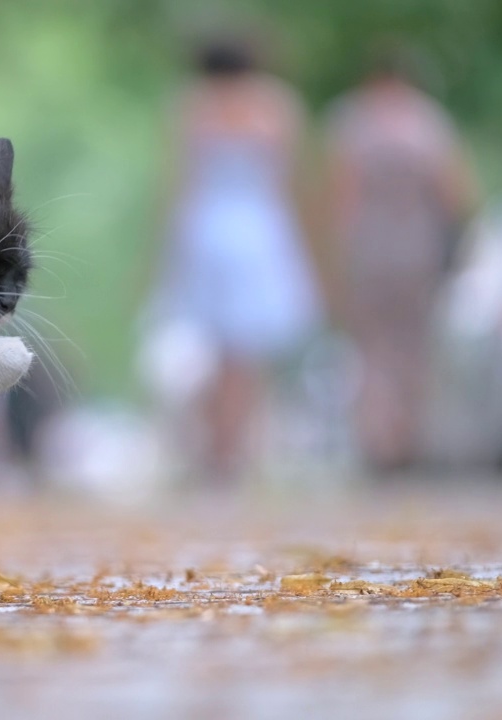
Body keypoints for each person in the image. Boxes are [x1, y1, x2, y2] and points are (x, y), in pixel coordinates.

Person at [151, 35, 321, 481]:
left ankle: (220, 446)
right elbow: (288, 176)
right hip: (259, 227)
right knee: (245, 350)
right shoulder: (277, 105)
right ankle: (232, 447)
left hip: (206, 226)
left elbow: (180, 181)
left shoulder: (193, 105)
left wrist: (166, 247)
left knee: (217, 347)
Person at [326, 44, 478, 473]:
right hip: (419, 247)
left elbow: (343, 197)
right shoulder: (428, 122)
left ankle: (379, 440)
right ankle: (410, 437)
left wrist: (336, 258)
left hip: (369, 250)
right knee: (415, 346)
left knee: (372, 348)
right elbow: (455, 192)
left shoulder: (352, 122)